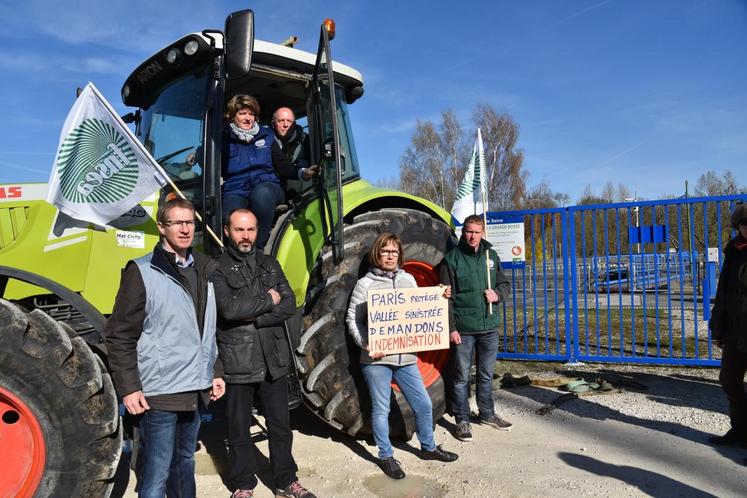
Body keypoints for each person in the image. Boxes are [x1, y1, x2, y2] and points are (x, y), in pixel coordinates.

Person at [106, 198, 225, 498]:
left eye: (190, 223)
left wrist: (215, 371)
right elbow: (120, 334)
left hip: (196, 389)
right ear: (161, 227)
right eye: (177, 223)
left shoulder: (205, 271)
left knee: (184, 463)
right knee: (156, 472)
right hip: (159, 393)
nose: (185, 229)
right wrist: (129, 388)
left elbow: (207, 331)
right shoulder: (142, 272)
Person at [212, 208, 315, 498]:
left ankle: (286, 480)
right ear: (227, 231)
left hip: (273, 358)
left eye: (251, 230)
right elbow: (229, 310)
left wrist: (255, 315)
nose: (246, 236)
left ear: (257, 231)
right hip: (238, 360)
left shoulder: (270, 263)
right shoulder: (217, 268)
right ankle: (244, 485)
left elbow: (289, 303)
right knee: (239, 430)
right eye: (239, 230)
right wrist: (268, 300)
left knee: (281, 426)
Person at [346, 232, 458, 480]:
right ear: (378, 254)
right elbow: (353, 320)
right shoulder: (366, 284)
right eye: (385, 251)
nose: (389, 256)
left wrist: (439, 295)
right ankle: (386, 456)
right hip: (377, 359)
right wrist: (366, 344)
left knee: (424, 404)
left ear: (399, 255)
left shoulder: (408, 280)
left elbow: (417, 310)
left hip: (405, 357)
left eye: (394, 252)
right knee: (380, 409)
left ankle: (428, 447)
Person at [439, 214, 512, 442]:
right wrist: (451, 328)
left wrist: (497, 294)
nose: (472, 236)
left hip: (489, 327)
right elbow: (445, 298)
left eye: (477, 232)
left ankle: (487, 414)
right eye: (469, 231)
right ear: (463, 232)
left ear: (483, 233)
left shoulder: (491, 256)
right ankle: (462, 420)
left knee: (486, 375)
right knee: (461, 377)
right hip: (464, 329)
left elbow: (504, 284)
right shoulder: (451, 259)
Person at [221, 95, 298, 250]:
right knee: (230, 213)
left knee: (262, 194)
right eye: (243, 113)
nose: (248, 118)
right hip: (237, 188)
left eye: (251, 114)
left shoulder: (267, 136)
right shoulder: (223, 138)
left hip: (267, 185)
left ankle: (256, 249)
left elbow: (282, 165)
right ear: (232, 116)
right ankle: (233, 253)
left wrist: (302, 172)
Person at [708, 203, 747, 450]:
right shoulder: (734, 250)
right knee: (729, 380)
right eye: (744, 224)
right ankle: (740, 431)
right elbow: (724, 292)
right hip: (735, 330)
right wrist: (718, 327)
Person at [271, 106, 319, 182]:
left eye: (289, 121)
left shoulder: (307, 141)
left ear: (294, 124)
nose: (286, 124)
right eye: (281, 121)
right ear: (273, 124)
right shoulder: (266, 142)